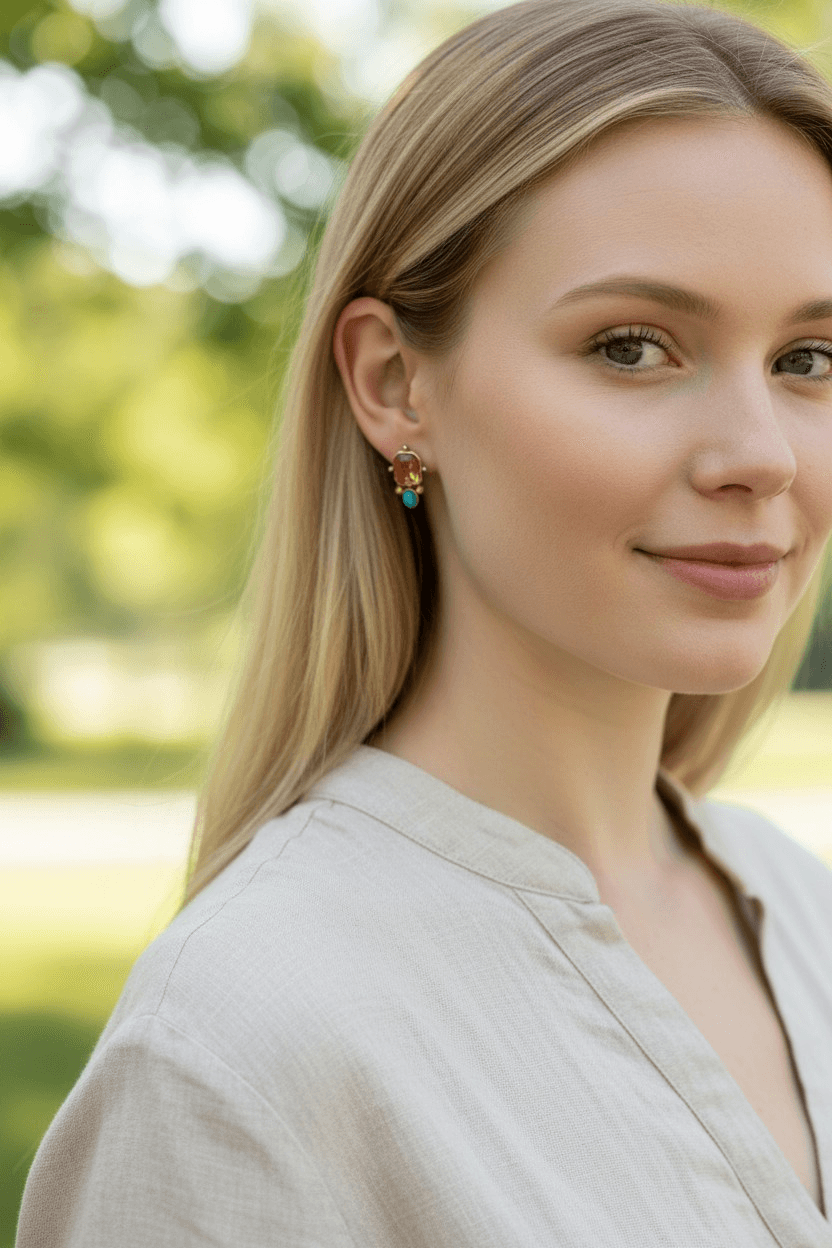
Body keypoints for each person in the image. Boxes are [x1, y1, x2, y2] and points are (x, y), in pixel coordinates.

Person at [15, 0, 832, 1243]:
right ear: (396, 385)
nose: (758, 455)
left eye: (810, 360)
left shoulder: (800, 904)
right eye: (631, 347)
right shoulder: (240, 1057)